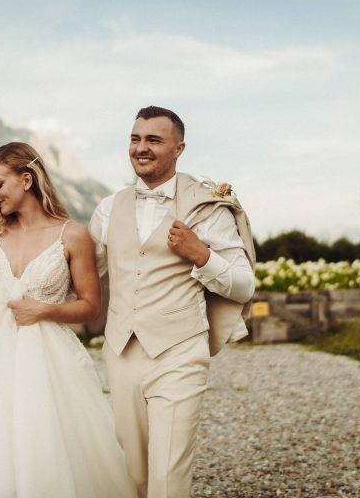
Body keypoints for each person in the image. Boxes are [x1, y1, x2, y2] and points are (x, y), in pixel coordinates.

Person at [0, 142, 135, 497]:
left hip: (50, 365)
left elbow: (91, 307)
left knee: (46, 447)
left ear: (26, 179)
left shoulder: (72, 235)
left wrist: (43, 310)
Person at [89, 106, 256, 497]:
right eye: (135, 138)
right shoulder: (108, 208)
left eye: (153, 140)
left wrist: (201, 254)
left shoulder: (207, 207)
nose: (140, 148)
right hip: (120, 349)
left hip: (180, 351)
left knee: (168, 471)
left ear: (179, 148)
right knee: (132, 469)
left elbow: (244, 285)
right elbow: (83, 277)